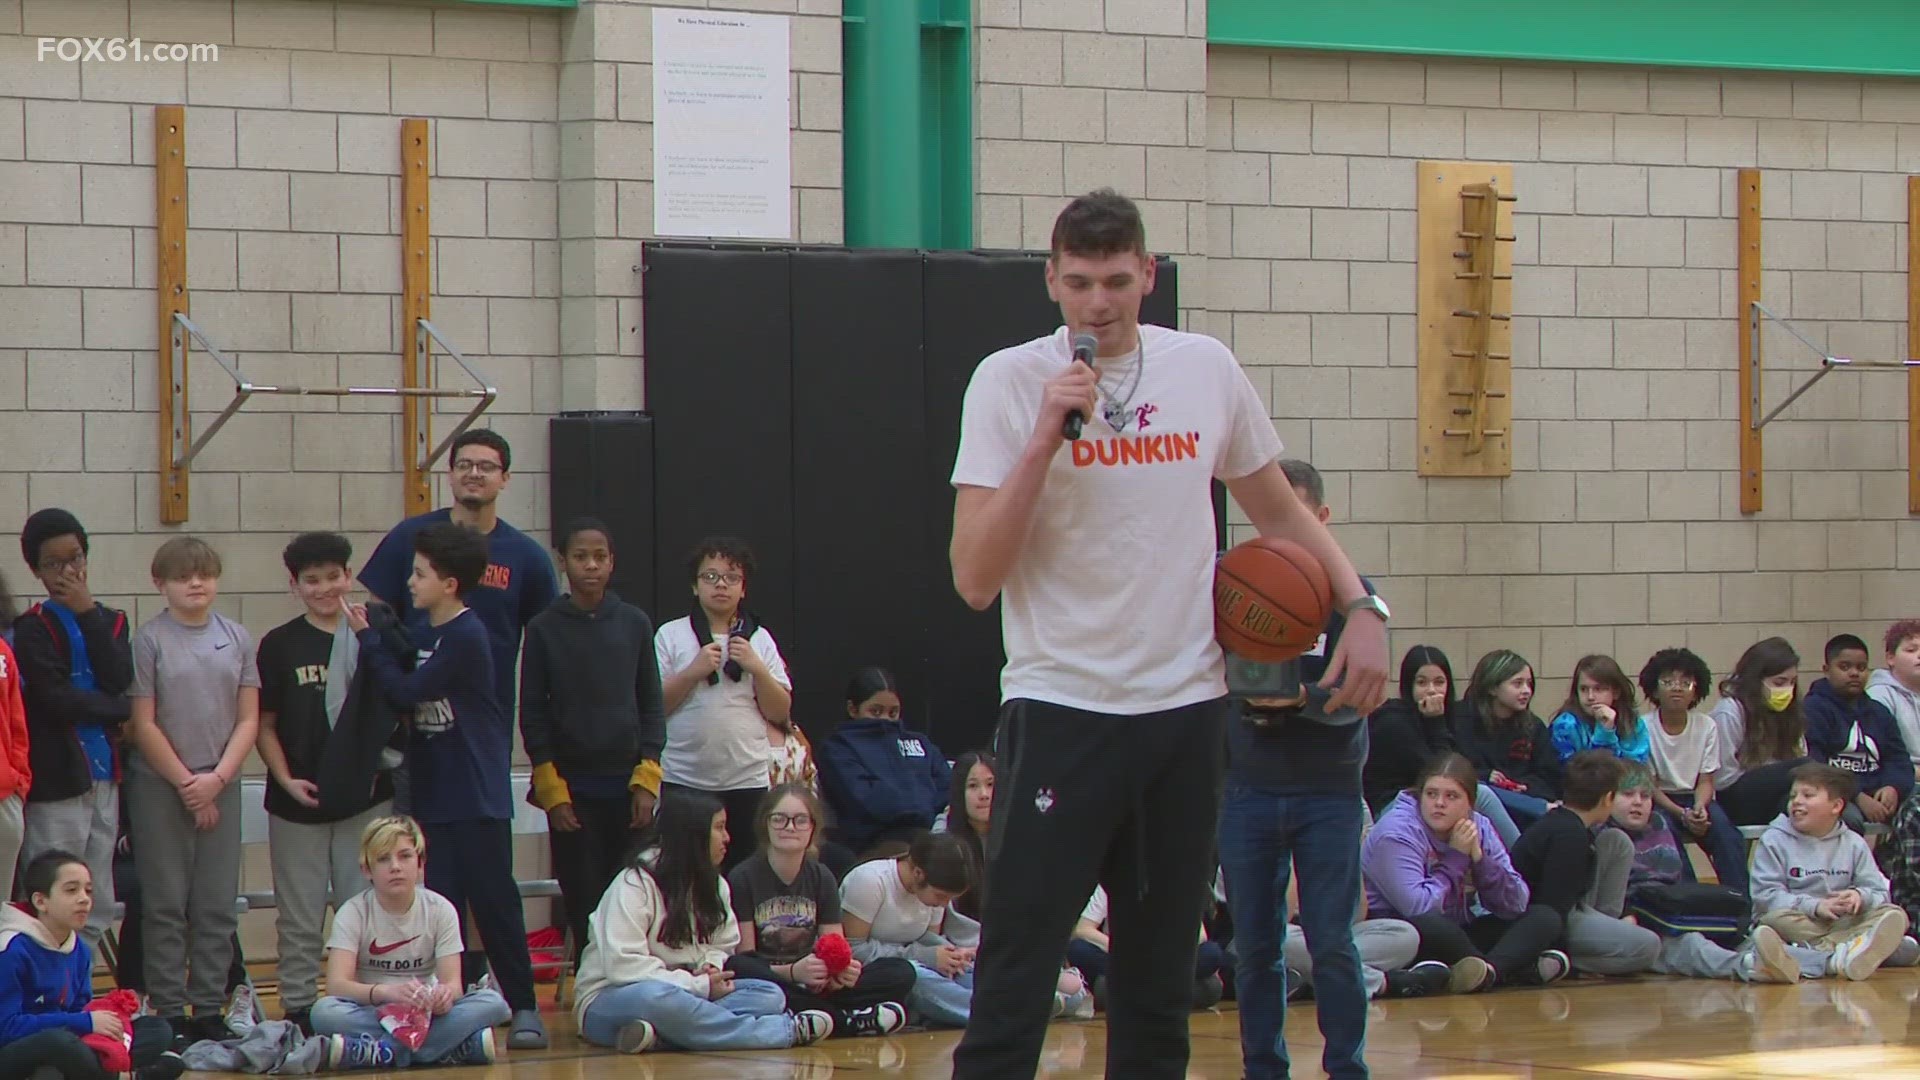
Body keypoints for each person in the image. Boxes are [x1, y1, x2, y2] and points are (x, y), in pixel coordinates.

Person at [944, 188, 1389, 1080]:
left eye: (1116, 281)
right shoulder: (1008, 381)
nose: (1098, 303)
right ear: (1051, 281)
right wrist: (1042, 441)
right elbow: (975, 579)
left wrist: (1363, 609)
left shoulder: (1206, 369)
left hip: (1185, 718)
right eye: (1079, 283)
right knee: (1016, 981)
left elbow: (1277, 513)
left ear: (1148, 274)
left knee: (1158, 995)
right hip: (1062, 710)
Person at [346, 522, 545, 1050]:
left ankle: (524, 1004)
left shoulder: (467, 635)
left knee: (495, 902)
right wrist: (388, 632)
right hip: (435, 791)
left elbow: (407, 689)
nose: (410, 583)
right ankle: (440, 1015)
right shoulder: (433, 633)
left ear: (450, 582)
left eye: (419, 574)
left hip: (475, 792)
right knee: (442, 907)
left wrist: (369, 639)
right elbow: (410, 655)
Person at [1215, 457, 1373, 1079]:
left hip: (1329, 791)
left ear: (1323, 518)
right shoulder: (1238, 587)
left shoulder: (1357, 599)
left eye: (1296, 518)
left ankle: (1347, 1069)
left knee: (1333, 942)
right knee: (1254, 948)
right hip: (1247, 788)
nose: (1280, 532)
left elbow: (1362, 699)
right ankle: (1263, 1069)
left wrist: (1301, 700)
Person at [253, 533, 393, 1033]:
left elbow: (396, 709)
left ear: (349, 577)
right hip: (298, 805)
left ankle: (367, 1004)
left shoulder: (374, 631)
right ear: (295, 585)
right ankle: (296, 1007)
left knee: (367, 908)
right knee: (299, 914)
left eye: (334, 576)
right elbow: (264, 724)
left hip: (367, 801)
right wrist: (285, 779)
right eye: (312, 580)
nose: (325, 588)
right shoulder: (279, 644)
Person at [572, 789, 833, 1054]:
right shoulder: (633, 884)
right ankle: (780, 1032)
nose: (728, 838)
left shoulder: (715, 884)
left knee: (768, 994)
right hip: (613, 998)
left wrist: (709, 966)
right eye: (719, 828)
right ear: (693, 834)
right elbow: (623, 968)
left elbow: (723, 943)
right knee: (656, 998)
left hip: (690, 993)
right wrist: (697, 985)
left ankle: (663, 1039)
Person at [122, 537, 258, 1046]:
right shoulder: (150, 640)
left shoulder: (238, 638)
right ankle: (167, 1008)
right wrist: (186, 783)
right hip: (162, 787)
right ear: (161, 584)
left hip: (219, 781)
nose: (195, 584)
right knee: (164, 903)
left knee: (216, 903)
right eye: (182, 577)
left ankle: (208, 1005)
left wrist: (217, 779)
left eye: (203, 574)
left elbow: (248, 718)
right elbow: (143, 723)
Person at [519, 518, 666, 966]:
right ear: (563, 562)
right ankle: (591, 981)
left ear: (612, 563)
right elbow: (533, 712)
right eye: (581, 557)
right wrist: (551, 787)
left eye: (600, 557)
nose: (591, 565)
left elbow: (652, 706)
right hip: (573, 792)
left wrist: (648, 778)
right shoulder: (544, 628)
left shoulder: (634, 623)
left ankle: (636, 977)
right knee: (584, 896)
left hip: (627, 788)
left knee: (634, 893)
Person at [359, 429, 558, 740]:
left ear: (505, 478)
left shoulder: (528, 557)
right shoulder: (410, 537)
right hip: (411, 717)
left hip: (485, 720)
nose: (474, 473)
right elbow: (376, 617)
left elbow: (547, 646)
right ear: (450, 475)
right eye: (464, 465)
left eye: (486, 467)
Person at [310, 816, 509, 1069]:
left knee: (493, 1003)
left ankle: (382, 1052)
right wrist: (385, 992)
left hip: (424, 1013)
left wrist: (442, 997)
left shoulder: (441, 909)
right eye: (383, 859)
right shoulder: (353, 912)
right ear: (366, 870)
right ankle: (447, 1049)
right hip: (374, 1009)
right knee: (323, 1012)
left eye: (405, 856)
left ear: (421, 863)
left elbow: (453, 985)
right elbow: (337, 986)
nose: (395, 867)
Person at [1362, 753, 1566, 992]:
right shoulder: (1396, 833)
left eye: (1451, 796)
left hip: (1459, 926)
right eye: (1431, 794)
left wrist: (1481, 862)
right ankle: (1512, 970)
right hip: (1403, 931)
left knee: (1544, 916)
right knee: (1431, 925)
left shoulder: (1479, 826)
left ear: (1470, 803)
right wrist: (1456, 859)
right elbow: (1417, 908)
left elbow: (1515, 903)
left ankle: (1488, 972)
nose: (1439, 803)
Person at [13, 510, 123, 954]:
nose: (68, 572)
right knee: (53, 893)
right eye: (54, 565)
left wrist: (88, 612)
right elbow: (54, 700)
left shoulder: (110, 620)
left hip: (105, 773)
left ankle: (82, 989)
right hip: (57, 778)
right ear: (36, 571)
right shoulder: (31, 627)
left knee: (96, 898)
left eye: (75, 558)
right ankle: (42, 988)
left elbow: (118, 676)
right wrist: (117, 710)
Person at [723, 783, 913, 1037]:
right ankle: (849, 1021)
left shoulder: (822, 876)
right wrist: (792, 972)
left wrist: (842, 970)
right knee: (743, 969)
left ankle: (822, 1016)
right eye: (779, 819)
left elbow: (833, 943)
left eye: (800, 820)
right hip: (775, 979)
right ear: (765, 825)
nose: (790, 827)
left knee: (901, 972)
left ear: (813, 828)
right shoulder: (742, 877)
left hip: (816, 980)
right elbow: (745, 955)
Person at [1607, 762, 1820, 983]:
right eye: (1628, 794)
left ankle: (1830, 961)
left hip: (1669, 913)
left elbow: (1675, 881)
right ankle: (1752, 967)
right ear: (1608, 798)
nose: (1638, 802)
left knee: (1743, 936)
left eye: (1645, 796)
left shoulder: (1658, 824)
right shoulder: (1605, 836)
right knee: (1692, 944)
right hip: (1636, 924)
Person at [654, 537, 792, 875]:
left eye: (731, 578)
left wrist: (757, 668)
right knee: (682, 872)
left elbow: (780, 712)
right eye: (710, 577)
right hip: (685, 777)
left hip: (746, 779)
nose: (721, 586)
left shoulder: (758, 638)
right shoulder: (670, 635)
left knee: (743, 873)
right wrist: (692, 672)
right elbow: (653, 708)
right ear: (694, 585)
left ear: (743, 589)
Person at [0, 851, 183, 1080]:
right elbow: (6, 1027)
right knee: (57, 1044)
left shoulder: (79, 949)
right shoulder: (11, 949)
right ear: (40, 901)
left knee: (157, 1029)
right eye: (71, 890)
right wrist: (84, 1022)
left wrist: (108, 1020)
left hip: (68, 1045)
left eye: (88, 890)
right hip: (16, 1049)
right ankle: (128, 1076)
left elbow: (79, 1008)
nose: (84, 899)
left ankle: (89, 1069)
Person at [1750, 763, 1910, 979]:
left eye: (1808, 795)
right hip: (1800, 920)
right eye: (1793, 796)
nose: (1796, 801)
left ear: (1836, 806)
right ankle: (1851, 950)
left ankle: (1819, 953)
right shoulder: (1773, 840)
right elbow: (1765, 897)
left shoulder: (1853, 843)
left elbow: (1879, 893)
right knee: (1773, 920)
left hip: (1839, 921)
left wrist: (1859, 897)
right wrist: (1815, 906)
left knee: (1894, 913)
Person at [1506, 751, 1659, 976]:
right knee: (1648, 946)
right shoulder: (1569, 835)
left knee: (1617, 840)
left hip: (1571, 911)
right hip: (1540, 924)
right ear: (1608, 798)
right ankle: (1561, 963)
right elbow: (1552, 909)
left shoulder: (1571, 825)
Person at [1361, 647, 1519, 844]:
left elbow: (1465, 766)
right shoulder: (1393, 720)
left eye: (1439, 682)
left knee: (1476, 809)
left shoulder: (1452, 715)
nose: (1432, 690)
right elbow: (1444, 773)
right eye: (1421, 683)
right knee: (1482, 795)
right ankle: (1523, 859)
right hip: (1395, 802)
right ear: (1408, 686)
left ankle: (1511, 863)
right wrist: (1435, 722)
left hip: (1435, 797)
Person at [840, 833, 977, 1028]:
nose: (943, 905)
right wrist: (925, 956)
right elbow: (853, 950)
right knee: (915, 975)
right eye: (940, 896)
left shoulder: (934, 896)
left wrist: (953, 954)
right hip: (871, 973)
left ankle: (1006, 1008)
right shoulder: (870, 881)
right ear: (918, 874)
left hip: (911, 960)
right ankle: (989, 1017)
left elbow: (928, 939)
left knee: (968, 970)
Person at [816, 668, 951, 859]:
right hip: (873, 844)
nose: (885, 719)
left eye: (893, 713)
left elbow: (948, 788)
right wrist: (916, 802)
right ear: (853, 709)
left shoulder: (920, 742)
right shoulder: (839, 747)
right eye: (876, 711)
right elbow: (862, 800)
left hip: (930, 836)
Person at [1804, 634, 1912, 828]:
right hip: (1836, 792)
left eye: (1861, 668)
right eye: (1845, 667)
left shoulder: (1879, 712)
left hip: (1878, 789)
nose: (1854, 673)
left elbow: (1898, 758)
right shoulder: (1813, 708)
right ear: (1826, 670)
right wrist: (1857, 795)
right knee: (1848, 818)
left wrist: (1893, 787)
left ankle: (1891, 858)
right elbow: (1814, 762)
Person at [1450, 650, 1560, 829]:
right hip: (1476, 811)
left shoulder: (1533, 726)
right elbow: (1453, 769)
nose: (1526, 691)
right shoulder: (1460, 719)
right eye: (1517, 684)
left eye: (1529, 684)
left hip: (1525, 808)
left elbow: (1551, 777)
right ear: (1493, 687)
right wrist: (1487, 776)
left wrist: (1523, 786)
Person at [1709, 637, 1812, 826]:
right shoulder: (1730, 710)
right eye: (1779, 682)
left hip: (1778, 794)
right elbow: (1723, 779)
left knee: (1803, 809)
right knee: (1807, 767)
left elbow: (1799, 755)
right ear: (1756, 680)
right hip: (1735, 796)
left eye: (1792, 682)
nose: (1787, 690)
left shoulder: (1791, 712)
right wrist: (1772, 777)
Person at [935, 751, 994, 950]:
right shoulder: (944, 841)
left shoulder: (1017, 836)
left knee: (1069, 982)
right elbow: (948, 917)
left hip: (1015, 946)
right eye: (973, 786)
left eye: (991, 784)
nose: (984, 795)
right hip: (964, 948)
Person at [1547, 655, 1648, 764]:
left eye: (1598, 689)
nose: (1590, 697)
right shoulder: (1565, 725)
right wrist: (1605, 733)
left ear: (1616, 692)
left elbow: (1637, 770)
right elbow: (1585, 774)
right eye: (1583, 689)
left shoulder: (1633, 723)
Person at [1866, 620, 1920, 784]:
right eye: (1911, 650)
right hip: (1901, 783)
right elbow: (1881, 757)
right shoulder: (1878, 696)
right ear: (1891, 658)